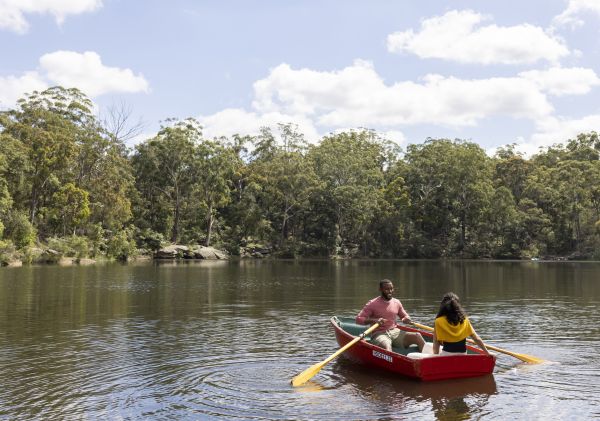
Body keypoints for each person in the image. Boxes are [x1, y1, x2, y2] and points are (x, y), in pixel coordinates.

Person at [356, 279, 425, 352]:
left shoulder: (397, 302)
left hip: (395, 332)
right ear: (380, 289)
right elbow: (358, 319)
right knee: (387, 346)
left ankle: (429, 360)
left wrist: (406, 318)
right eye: (387, 289)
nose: (390, 291)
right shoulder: (372, 303)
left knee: (417, 336)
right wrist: (375, 320)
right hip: (379, 334)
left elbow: (404, 316)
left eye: (391, 289)